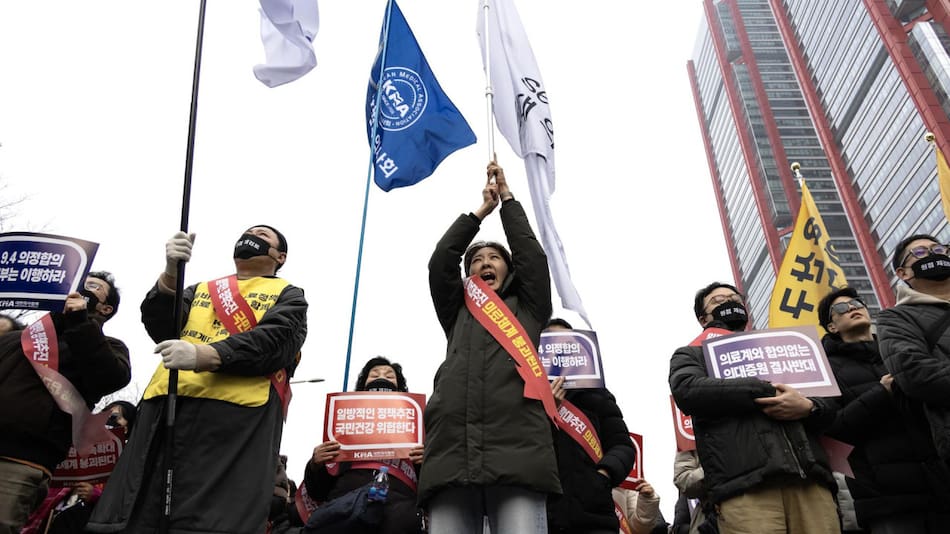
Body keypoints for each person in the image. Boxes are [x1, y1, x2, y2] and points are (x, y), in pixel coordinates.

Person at [87, 225, 308, 534]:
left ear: (280, 256)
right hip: (165, 406)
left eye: (263, 235)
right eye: (248, 232)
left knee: (205, 516)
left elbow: (276, 340)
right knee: (144, 509)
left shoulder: (289, 294)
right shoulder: (201, 289)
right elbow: (162, 326)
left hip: (233, 416)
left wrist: (206, 355)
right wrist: (170, 275)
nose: (252, 236)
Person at [422, 161, 559, 534]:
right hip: (452, 451)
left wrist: (508, 202)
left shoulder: (529, 308)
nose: (485, 263)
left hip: (519, 452)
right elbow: (441, 261)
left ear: (508, 270)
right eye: (477, 260)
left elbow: (532, 257)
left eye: (494, 258)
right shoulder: (457, 309)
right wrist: (479, 212)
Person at [668, 282, 839, 534]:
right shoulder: (692, 354)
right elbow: (687, 389)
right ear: (703, 318)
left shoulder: (782, 348)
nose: (729, 302)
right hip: (744, 489)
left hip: (810, 481)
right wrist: (762, 389)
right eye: (718, 301)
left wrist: (809, 407)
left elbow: (830, 403)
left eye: (734, 298)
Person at [0, 271, 130, 534]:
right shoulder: (19, 339)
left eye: (92, 286)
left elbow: (109, 377)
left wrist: (79, 321)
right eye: (80, 281)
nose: (82, 287)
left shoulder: (108, 347)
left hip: (21, 460)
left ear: (105, 308)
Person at [818, 285, 950, 532]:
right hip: (887, 501)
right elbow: (832, 432)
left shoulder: (903, 350)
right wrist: (882, 393)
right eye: (842, 308)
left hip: (940, 485)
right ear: (831, 326)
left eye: (857, 303)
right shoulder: (826, 370)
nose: (853, 308)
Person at [876, 234, 950, 528]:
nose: (933, 254)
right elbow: (916, 373)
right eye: (920, 252)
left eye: (940, 249)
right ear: (903, 273)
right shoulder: (896, 319)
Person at [301, 356, 424, 534]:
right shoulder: (342, 429)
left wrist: (426, 463)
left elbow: (429, 488)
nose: (381, 378)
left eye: (389, 376)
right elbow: (318, 491)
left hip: (400, 518)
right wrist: (316, 465)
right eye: (374, 375)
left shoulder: (416, 429)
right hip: (347, 514)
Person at [544, 318, 636, 534]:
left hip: (594, 514)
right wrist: (547, 410)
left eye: (566, 344)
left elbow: (622, 446)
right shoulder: (528, 395)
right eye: (551, 344)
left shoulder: (598, 395)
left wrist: (603, 475)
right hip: (545, 514)